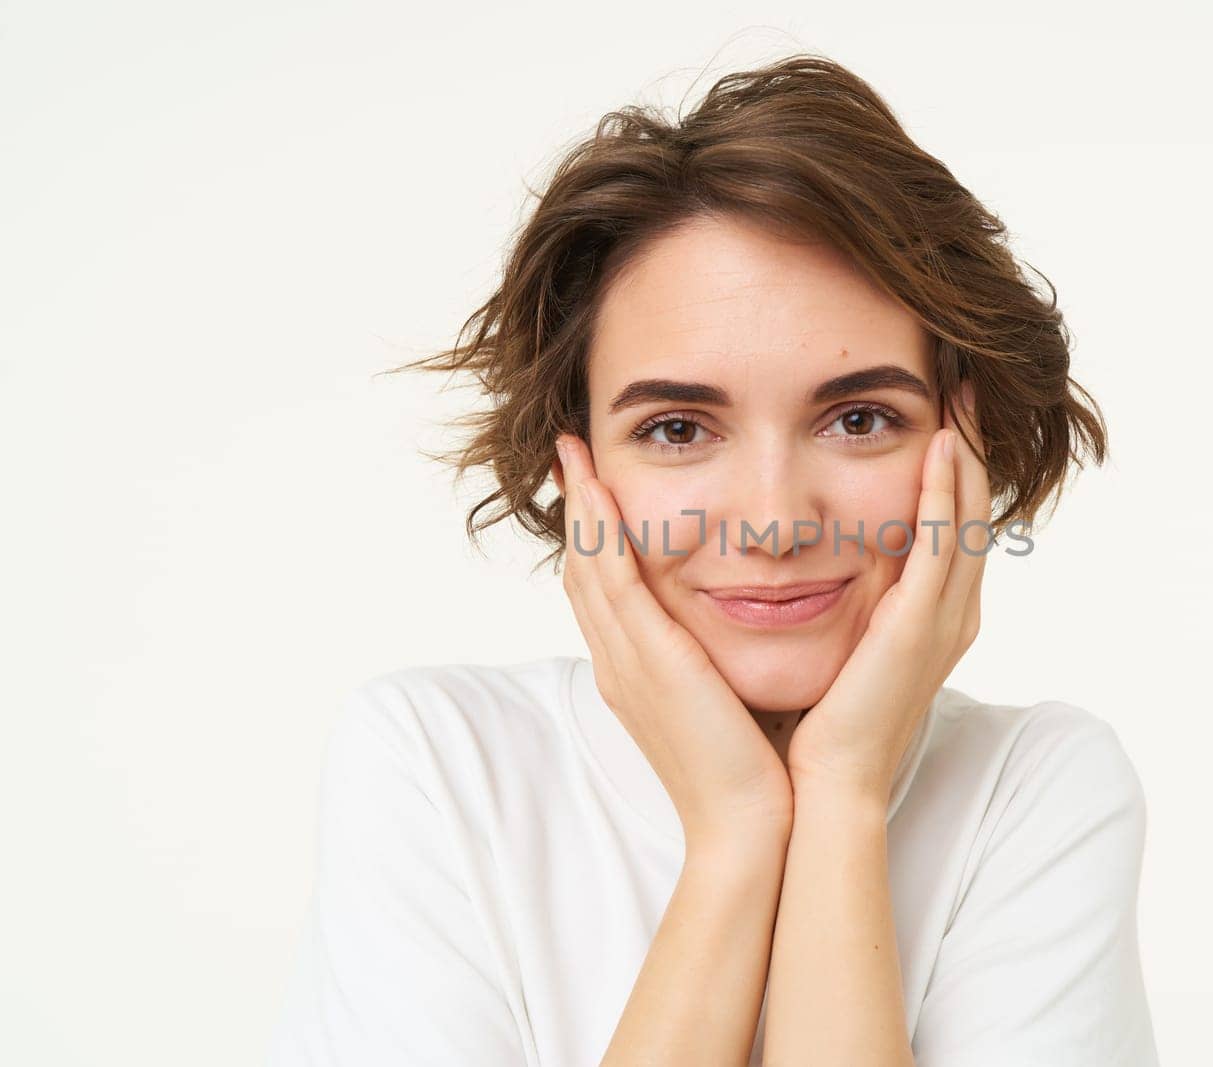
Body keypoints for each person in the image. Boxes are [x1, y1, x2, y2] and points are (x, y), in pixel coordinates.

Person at [267, 53, 1159, 1066]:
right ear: (579, 460)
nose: (773, 521)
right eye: (679, 429)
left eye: (859, 418)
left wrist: (843, 793)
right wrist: (736, 833)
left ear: (966, 442)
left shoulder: (1034, 788)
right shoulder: (440, 763)